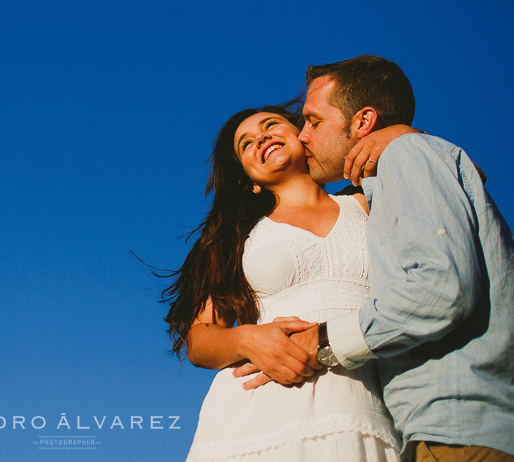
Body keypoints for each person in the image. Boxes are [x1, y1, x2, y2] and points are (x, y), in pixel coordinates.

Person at [295, 55, 514, 462]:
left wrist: (321, 341)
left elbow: (440, 289)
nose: (303, 135)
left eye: (314, 121)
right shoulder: (416, 156)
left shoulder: (405, 154)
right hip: (476, 430)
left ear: (362, 122)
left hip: (467, 432)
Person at [164, 101, 410, 461]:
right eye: (246, 144)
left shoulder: (367, 202)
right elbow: (199, 340)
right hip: (257, 412)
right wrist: (247, 339)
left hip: (368, 398)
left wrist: (402, 136)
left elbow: (454, 183)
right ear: (247, 180)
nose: (261, 138)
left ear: (305, 133)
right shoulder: (234, 236)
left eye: (271, 125)